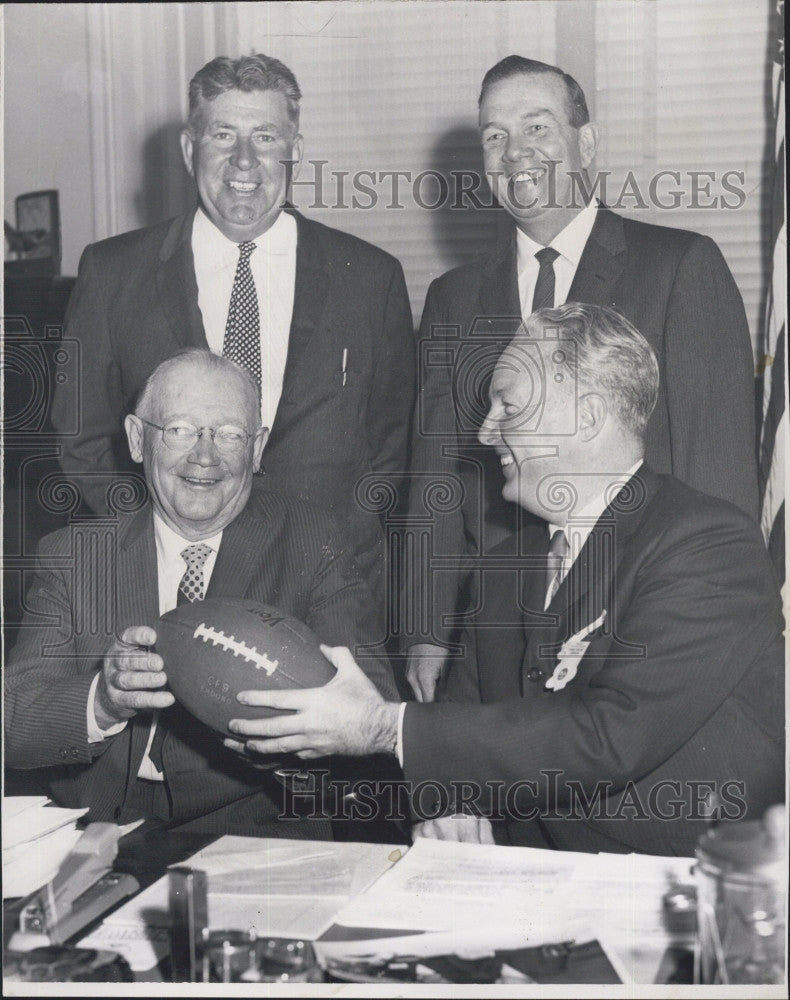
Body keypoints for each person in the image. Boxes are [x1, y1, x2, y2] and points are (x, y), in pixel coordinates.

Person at [223, 305, 784, 857]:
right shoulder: (501, 568)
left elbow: (610, 739)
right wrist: (452, 805)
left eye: (507, 406)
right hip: (532, 882)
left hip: (689, 886)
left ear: (586, 418)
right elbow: (465, 730)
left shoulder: (706, 544)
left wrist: (382, 726)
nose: (486, 432)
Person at [406, 55, 759, 701]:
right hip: (497, 637)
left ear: (586, 142)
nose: (515, 153)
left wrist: (713, 621)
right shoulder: (453, 296)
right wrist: (426, 628)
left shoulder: (680, 267)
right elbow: (437, 473)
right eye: (494, 135)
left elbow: (722, 468)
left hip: (640, 618)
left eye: (536, 127)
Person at [51, 53, 415, 609]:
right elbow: (81, 441)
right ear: (189, 147)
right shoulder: (112, 272)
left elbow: (390, 448)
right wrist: (164, 534)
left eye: (266, 136)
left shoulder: (370, 277)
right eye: (223, 134)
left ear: (295, 149)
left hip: (325, 591)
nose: (244, 160)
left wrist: (325, 544)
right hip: (168, 588)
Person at [6, 351, 397, 837]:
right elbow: (11, 723)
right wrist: (102, 701)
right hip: (93, 832)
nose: (204, 456)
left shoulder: (315, 543)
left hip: (253, 835)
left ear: (256, 449)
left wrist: (278, 742)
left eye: (229, 434)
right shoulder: (74, 554)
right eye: (180, 429)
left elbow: (373, 715)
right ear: (136, 438)